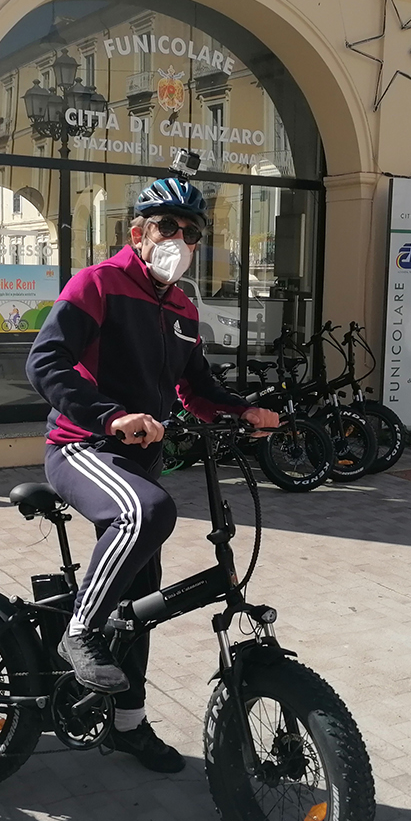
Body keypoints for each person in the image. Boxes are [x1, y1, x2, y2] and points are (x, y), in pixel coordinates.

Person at [26, 177, 280, 772]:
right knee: (149, 512)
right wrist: (110, 418)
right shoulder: (100, 283)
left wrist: (244, 412)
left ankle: (128, 726)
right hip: (81, 448)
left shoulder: (184, 307)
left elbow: (197, 388)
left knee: (143, 602)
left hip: (137, 462)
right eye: (169, 227)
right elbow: (46, 360)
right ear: (137, 233)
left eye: (192, 232)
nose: (181, 240)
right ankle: (78, 631)